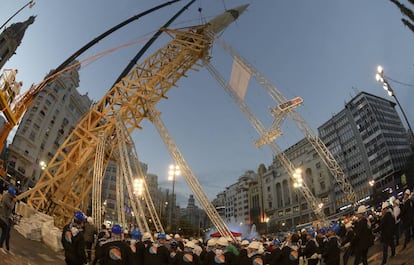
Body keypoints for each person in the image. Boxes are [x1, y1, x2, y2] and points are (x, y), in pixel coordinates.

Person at [0, 186, 17, 251]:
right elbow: (10, 207)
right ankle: (1, 245)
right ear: (10, 194)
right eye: (13, 196)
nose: (13, 197)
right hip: (3, 217)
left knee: (7, 233)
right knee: (5, 232)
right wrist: (13, 202)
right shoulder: (6, 198)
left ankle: (7, 247)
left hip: (6, 218)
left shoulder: (7, 196)